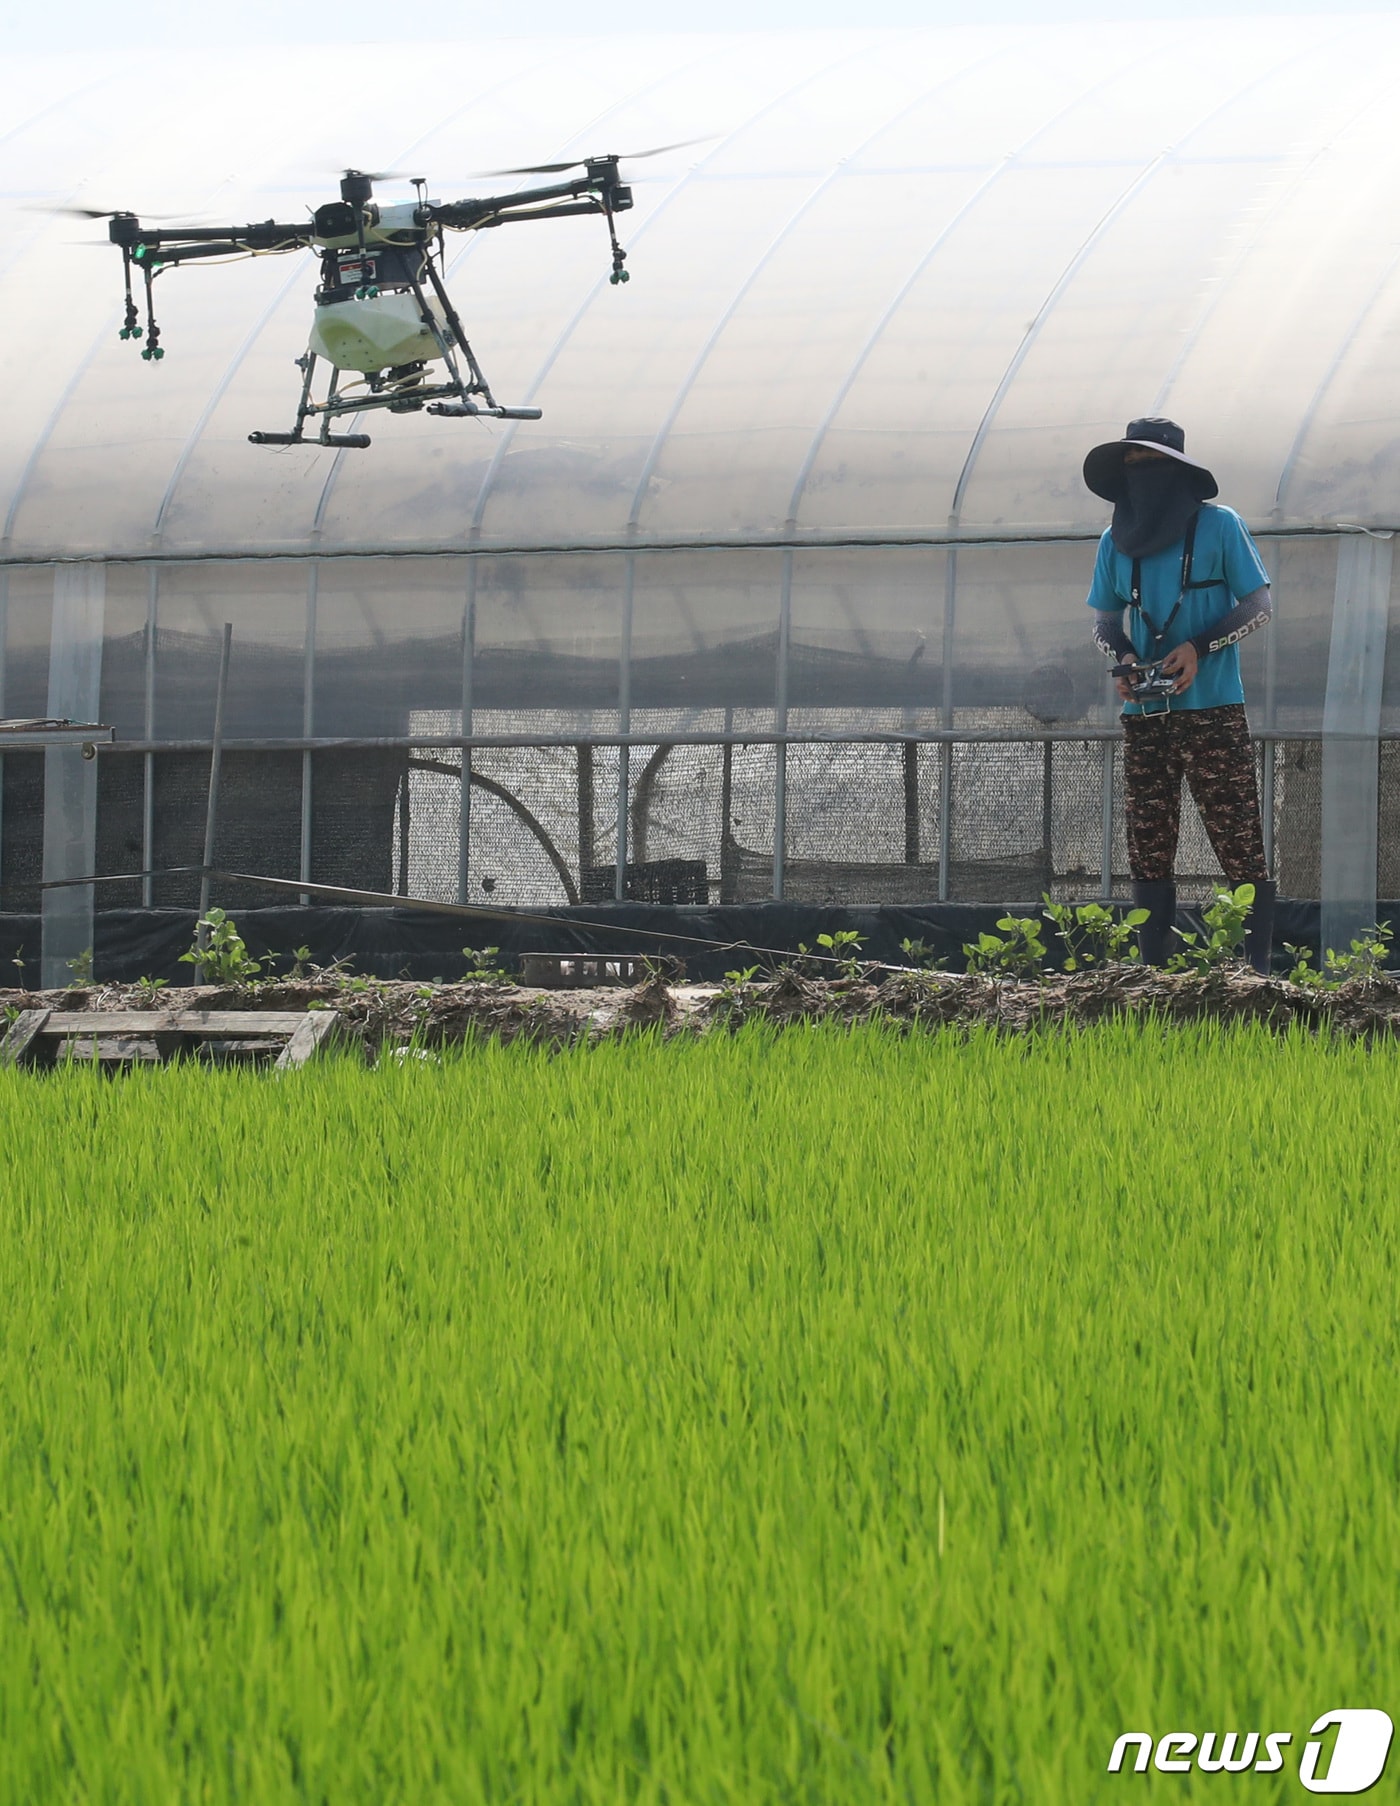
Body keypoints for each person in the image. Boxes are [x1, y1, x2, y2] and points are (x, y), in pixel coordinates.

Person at [1082, 417, 1275, 973]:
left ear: (1180, 470)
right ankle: (1154, 975)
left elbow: (1258, 605)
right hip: (1144, 715)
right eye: (1133, 466)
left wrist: (1199, 647)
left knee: (1237, 834)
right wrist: (1121, 659)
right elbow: (1103, 620)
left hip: (1213, 711)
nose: (1143, 475)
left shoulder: (1221, 527)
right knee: (1147, 839)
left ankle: (1256, 973)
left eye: (1153, 464)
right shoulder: (1113, 541)